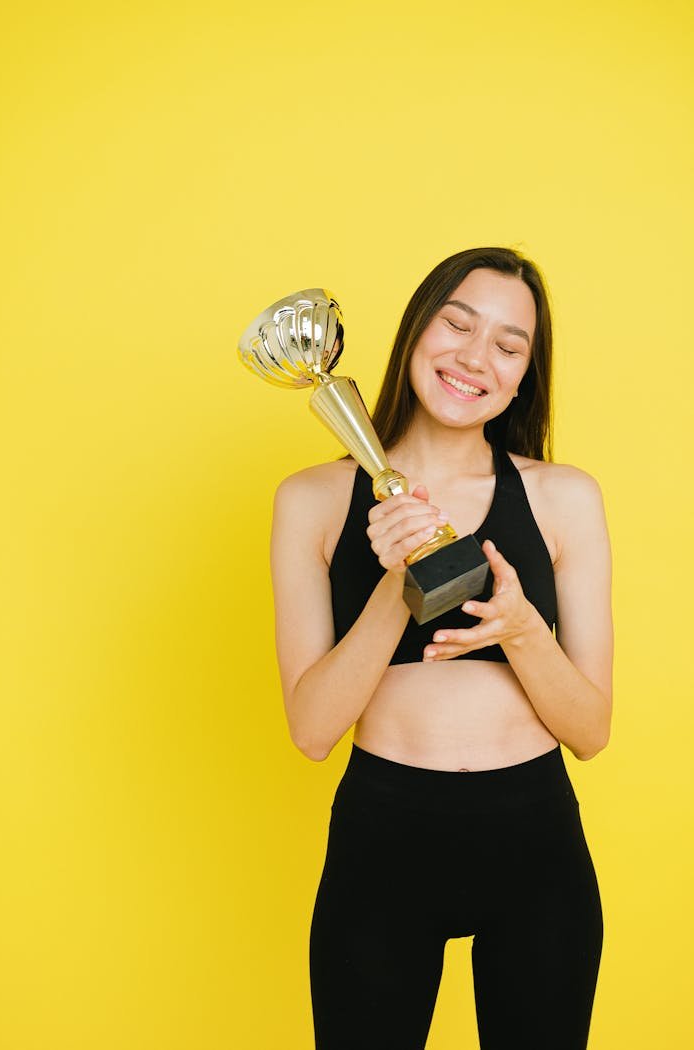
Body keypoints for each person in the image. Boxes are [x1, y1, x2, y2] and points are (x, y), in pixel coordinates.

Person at [270, 248, 613, 1050]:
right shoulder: (311, 500)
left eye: (508, 344)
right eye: (457, 324)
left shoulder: (564, 497)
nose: (474, 357)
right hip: (382, 842)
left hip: (536, 846)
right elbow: (312, 730)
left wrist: (523, 629)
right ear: (415, 332)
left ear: (525, 375)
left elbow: (592, 733)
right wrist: (399, 584)